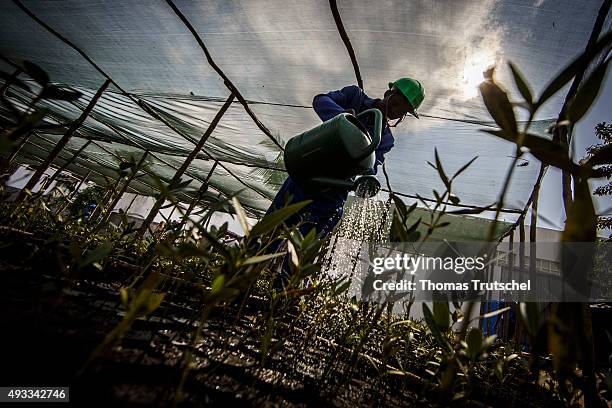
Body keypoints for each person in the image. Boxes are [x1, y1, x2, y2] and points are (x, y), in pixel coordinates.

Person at [266, 78, 425, 284]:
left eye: (402, 112)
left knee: (302, 251)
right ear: (388, 94)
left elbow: (373, 165)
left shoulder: (385, 139)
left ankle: (281, 296)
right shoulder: (355, 97)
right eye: (396, 104)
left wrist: (368, 177)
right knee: (270, 232)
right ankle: (238, 282)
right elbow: (321, 100)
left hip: (333, 192)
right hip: (309, 174)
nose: (396, 112)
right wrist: (345, 120)